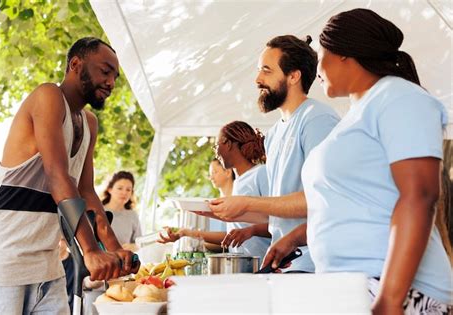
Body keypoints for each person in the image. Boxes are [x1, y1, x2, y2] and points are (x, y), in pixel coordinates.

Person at [263, 8, 451, 314]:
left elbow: (420, 195)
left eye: (320, 55)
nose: (317, 68)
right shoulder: (356, 115)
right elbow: (355, 203)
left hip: (393, 289)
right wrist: (296, 237)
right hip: (352, 285)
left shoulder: (400, 97)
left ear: (344, 55)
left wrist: (390, 299)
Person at [0, 37, 139, 315]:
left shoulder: (89, 122)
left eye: (115, 76)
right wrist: (91, 251)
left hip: (48, 264)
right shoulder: (48, 96)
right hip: (4, 261)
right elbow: (58, 177)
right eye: (105, 71)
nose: (112, 82)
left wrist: (113, 250)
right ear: (76, 65)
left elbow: (87, 192)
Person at [208, 35, 340, 272]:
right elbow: (280, 208)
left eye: (266, 71)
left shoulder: (317, 119)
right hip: (285, 264)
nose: (258, 79)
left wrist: (246, 203)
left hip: (314, 264)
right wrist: (236, 211)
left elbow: (322, 199)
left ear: (293, 76)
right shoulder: (274, 134)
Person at [159, 121, 271, 260]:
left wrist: (251, 231)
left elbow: (279, 223)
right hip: (242, 263)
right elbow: (242, 222)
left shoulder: (261, 173)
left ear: (228, 144)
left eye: (216, 146)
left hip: (264, 264)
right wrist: (197, 216)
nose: (216, 152)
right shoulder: (238, 183)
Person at [102, 171, 143, 252]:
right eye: (120, 188)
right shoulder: (98, 212)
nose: (124, 193)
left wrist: (133, 246)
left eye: (128, 190)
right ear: (110, 190)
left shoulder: (132, 215)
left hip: (124, 262)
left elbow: (139, 242)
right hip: (100, 262)